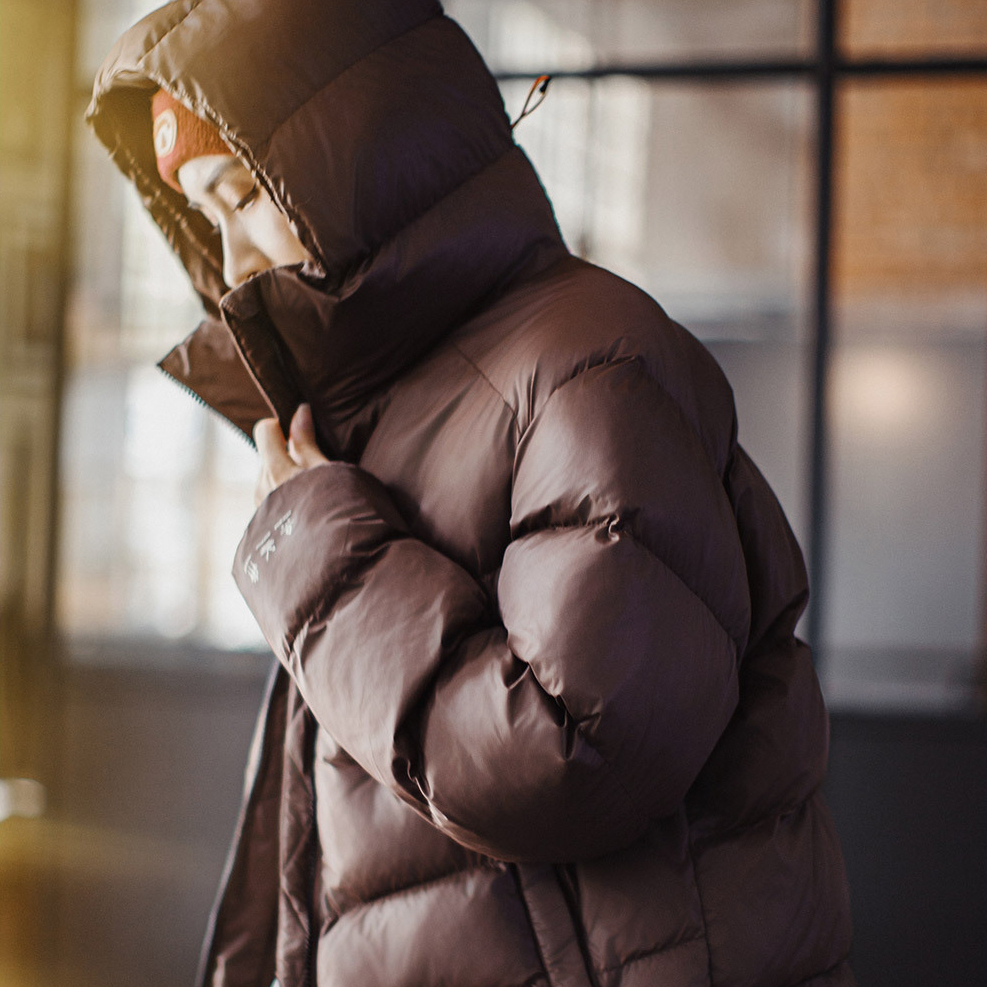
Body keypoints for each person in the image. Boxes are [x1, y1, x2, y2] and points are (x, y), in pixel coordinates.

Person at [87, 1, 855, 985]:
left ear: (361, 161)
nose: (231, 265)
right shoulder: (382, 418)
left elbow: (577, 755)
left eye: (241, 198)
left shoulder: (587, 366)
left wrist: (321, 557)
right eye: (206, 221)